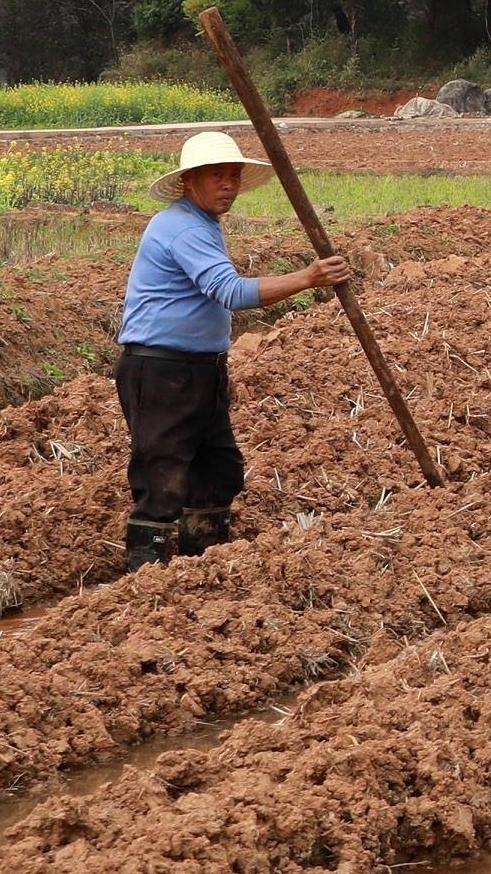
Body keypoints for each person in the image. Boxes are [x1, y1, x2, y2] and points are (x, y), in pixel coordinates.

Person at [116, 130, 352, 568]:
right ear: (190, 181)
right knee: (162, 476)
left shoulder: (203, 224)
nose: (228, 185)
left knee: (218, 470)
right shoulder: (182, 227)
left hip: (201, 369)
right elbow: (229, 291)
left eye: (233, 177)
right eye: (216, 176)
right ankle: (144, 581)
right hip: (162, 370)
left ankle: (203, 568)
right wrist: (307, 278)